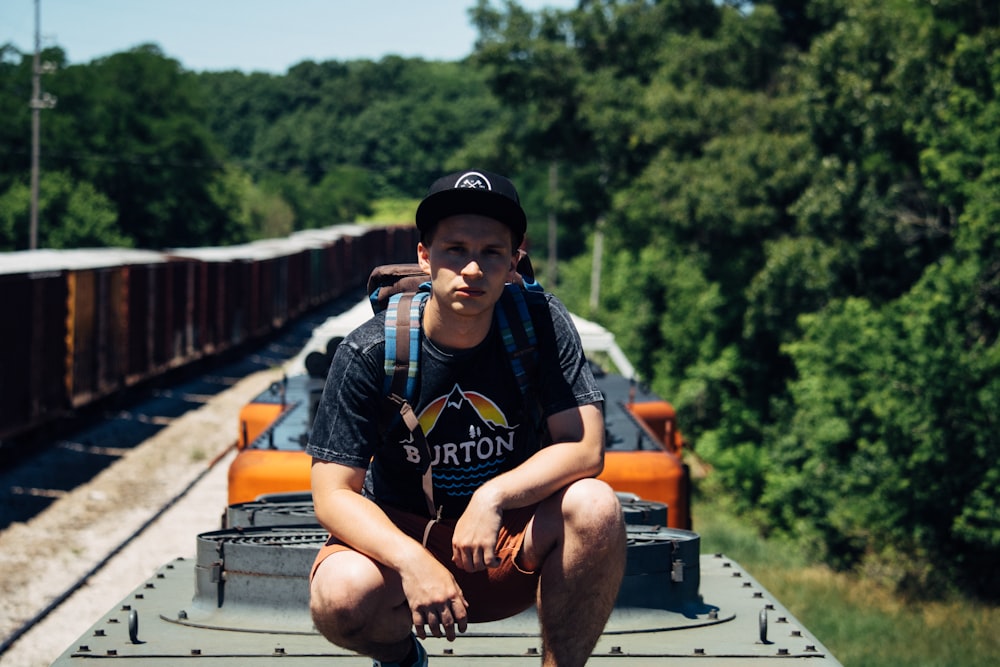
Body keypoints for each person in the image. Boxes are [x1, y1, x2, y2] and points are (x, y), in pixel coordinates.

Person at [307, 169, 626, 667]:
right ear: (424, 255)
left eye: (491, 252)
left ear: (514, 258)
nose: (472, 269)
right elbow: (333, 493)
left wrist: (493, 496)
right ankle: (401, 659)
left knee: (595, 504)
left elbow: (584, 447)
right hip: (406, 542)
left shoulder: (540, 325)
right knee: (340, 595)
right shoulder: (371, 351)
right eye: (454, 249)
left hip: (506, 546)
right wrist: (412, 559)